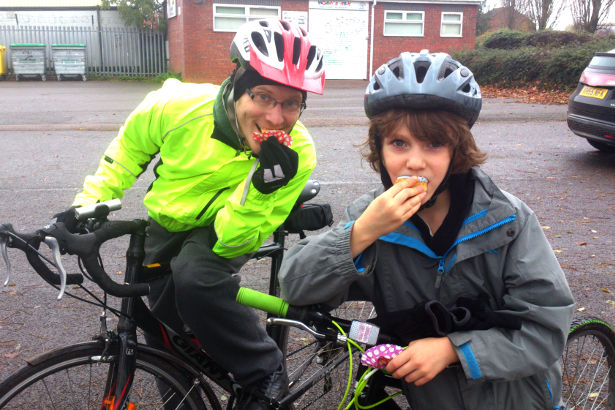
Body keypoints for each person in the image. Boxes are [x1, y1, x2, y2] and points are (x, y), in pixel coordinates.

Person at [278, 50, 574, 409]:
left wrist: (452, 350)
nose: (414, 162)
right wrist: (360, 233)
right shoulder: (371, 217)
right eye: (399, 143)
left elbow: (546, 331)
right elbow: (294, 285)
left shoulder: (509, 220)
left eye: (434, 144)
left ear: (457, 151)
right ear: (380, 149)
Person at [52, 19, 325, 409]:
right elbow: (125, 154)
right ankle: (184, 391)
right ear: (236, 87)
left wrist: (261, 187)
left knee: (196, 279)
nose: (276, 117)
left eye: (291, 103)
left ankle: (263, 369)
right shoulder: (176, 106)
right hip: (167, 222)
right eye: (263, 97)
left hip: (226, 226)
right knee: (165, 329)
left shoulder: (299, 152)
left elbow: (238, 238)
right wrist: (88, 204)